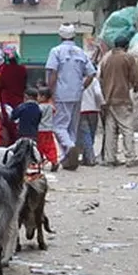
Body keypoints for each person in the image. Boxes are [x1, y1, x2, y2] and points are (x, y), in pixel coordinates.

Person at [44, 23, 97, 171]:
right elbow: (91, 74)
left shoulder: (56, 51)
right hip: (77, 95)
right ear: (74, 35)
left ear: (60, 36)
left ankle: (69, 147)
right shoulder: (81, 52)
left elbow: (53, 73)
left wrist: (50, 92)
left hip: (61, 94)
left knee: (59, 126)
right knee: (72, 127)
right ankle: (68, 158)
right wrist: (82, 87)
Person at [99, 34, 138, 167]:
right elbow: (135, 78)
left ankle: (110, 158)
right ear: (126, 46)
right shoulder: (127, 57)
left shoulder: (106, 58)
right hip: (122, 98)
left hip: (108, 99)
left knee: (110, 129)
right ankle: (130, 158)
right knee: (127, 128)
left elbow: (101, 78)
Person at [0, 47, 28, 143]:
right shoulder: (22, 69)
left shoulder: (1, 69)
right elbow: (24, 84)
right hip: (19, 99)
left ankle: (9, 142)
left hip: (6, 99)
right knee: (18, 121)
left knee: (8, 121)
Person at [78, 76, 103, 167]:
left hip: (81, 110)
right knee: (91, 134)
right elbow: (98, 93)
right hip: (93, 110)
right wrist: (101, 104)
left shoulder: (77, 79)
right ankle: (89, 158)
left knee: (85, 134)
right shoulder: (94, 80)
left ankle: (88, 157)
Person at [35, 88, 59, 170]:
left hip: (40, 129)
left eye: (38, 96)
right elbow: (54, 111)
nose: (37, 98)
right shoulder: (50, 106)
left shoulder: (39, 107)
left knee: (40, 146)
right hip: (49, 129)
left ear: (43, 97)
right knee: (50, 145)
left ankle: (39, 160)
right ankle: (54, 160)